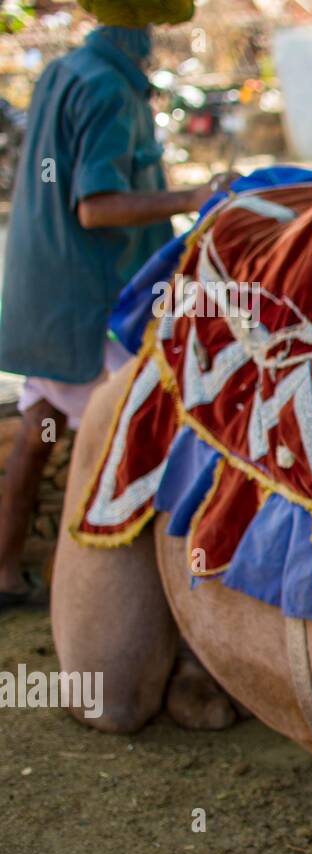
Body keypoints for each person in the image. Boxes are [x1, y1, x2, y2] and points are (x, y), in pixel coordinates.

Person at [0, 3, 235, 607]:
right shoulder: (110, 89)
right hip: (96, 303)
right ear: (144, 33)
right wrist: (197, 195)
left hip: (47, 292)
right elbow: (95, 207)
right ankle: (83, 598)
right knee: (111, 446)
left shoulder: (66, 69)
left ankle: (4, 568)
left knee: (37, 431)